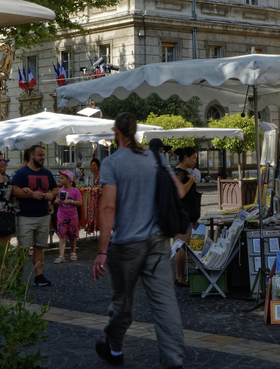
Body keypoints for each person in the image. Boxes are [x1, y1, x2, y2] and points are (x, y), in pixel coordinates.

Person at [92, 113, 186, 368]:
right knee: (165, 303)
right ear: (134, 131)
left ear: (116, 132)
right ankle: (173, 361)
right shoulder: (155, 157)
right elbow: (178, 191)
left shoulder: (112, 163)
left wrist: (102, 251)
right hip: (157, 240)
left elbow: (108, 208)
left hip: (127, 244)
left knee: (123, 302)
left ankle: (114, 348)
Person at [12, 144, 58, 286]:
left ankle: (39, 276)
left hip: (43, 215)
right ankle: (17, 275)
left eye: (43, 155)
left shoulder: (47, 173)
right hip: (25, 216)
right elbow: (13, 190)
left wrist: (51, 194)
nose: (42, 158)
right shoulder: (21, 173)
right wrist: (32, 194)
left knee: (39, 246)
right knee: (23, 248)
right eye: (40, 155)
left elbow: (55, 188)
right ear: (32, 156)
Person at [173, 147, 201, 286]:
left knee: (182, 246)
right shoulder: (181, 173)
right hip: (182, 216)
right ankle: (180, 277)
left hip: (185, 215)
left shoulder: (183, 173)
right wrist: (191, 180)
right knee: (181, 246)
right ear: (186, 158)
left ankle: (180, 276)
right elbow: (179, 192)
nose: (195, 161)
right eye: (193, 158)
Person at [54, 170, 83, 263]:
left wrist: (70, 201)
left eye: (62, 178)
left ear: (68, 179)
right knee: (61, 235)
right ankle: (61, 255)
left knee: (73, 236)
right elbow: (56, 200)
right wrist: (57, 201)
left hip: (73, 216)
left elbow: (80, 202)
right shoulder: (60, 190)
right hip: (62, 216)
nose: (60, 180)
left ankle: (73, 252)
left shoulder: (75, 190)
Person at [83, 157, 102, 234]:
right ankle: (91, 227)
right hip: (92, 199)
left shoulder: (103, 175)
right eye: (91, 165)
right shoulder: (89, 177)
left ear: (98, 165)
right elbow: (85, 186)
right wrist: (91, 189)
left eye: (94, 165)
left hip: (101, 198)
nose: (92, 167)